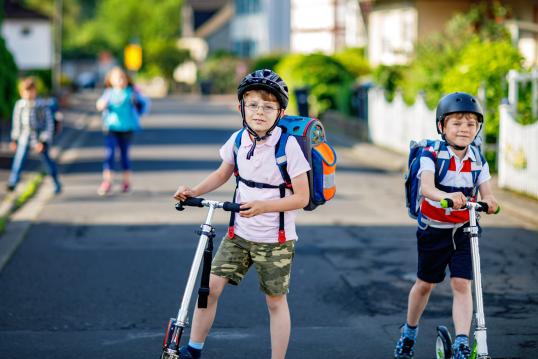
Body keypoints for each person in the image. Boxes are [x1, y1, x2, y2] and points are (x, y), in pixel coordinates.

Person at [173, 69, 310, 359]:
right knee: (208, 289)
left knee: (275, 302)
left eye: (268, 106)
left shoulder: (289, 147)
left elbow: (302, 197)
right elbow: (223, 173)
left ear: (280, 112)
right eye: (253, 104)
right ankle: (194, 349)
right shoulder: (238, 140)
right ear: (241, 108)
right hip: (238, 235)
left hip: (275, 239)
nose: (260, 112)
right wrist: (193, 191)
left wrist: (264, 206)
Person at [394, 92, 499, 359]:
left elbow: (488, 193)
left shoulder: (477, 158)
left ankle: (462, 341)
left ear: (478, 128)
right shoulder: (431, 154)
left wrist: (490, 202)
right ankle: (409, 332)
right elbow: (427, 187)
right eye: (457, 123)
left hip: (465, 230)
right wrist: (447, 197)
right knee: (425, 284)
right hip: (435, 230)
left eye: (471, 124)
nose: (465, 129)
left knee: (462, 284)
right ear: (442, 126)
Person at [96, 66, 149, 195]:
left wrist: (137, 100)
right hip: (111, 128)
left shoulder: (131, 92)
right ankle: (107, 182)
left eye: (122, 77)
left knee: (124, 156)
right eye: (117, 78)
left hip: (127, 129)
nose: (120, 80)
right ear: (110, 80)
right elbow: (99, 104)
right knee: (109, 155)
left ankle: (126, 183)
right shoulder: (109, 93)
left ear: (126, 79)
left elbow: (144, 106)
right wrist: (102, 105)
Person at [7, 77, 62, 194]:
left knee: (47, 161)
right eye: (26, 92)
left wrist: (43, 141)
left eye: (31, 91)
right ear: (22, 93)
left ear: (35, 91)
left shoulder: (42, 105)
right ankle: (13, 181)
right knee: (19, 160)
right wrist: (14, 139)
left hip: (38, 136)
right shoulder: (20, 105)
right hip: (24, 136)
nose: (29, 94)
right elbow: (16, 123)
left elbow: (48, 124)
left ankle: (56, 182)